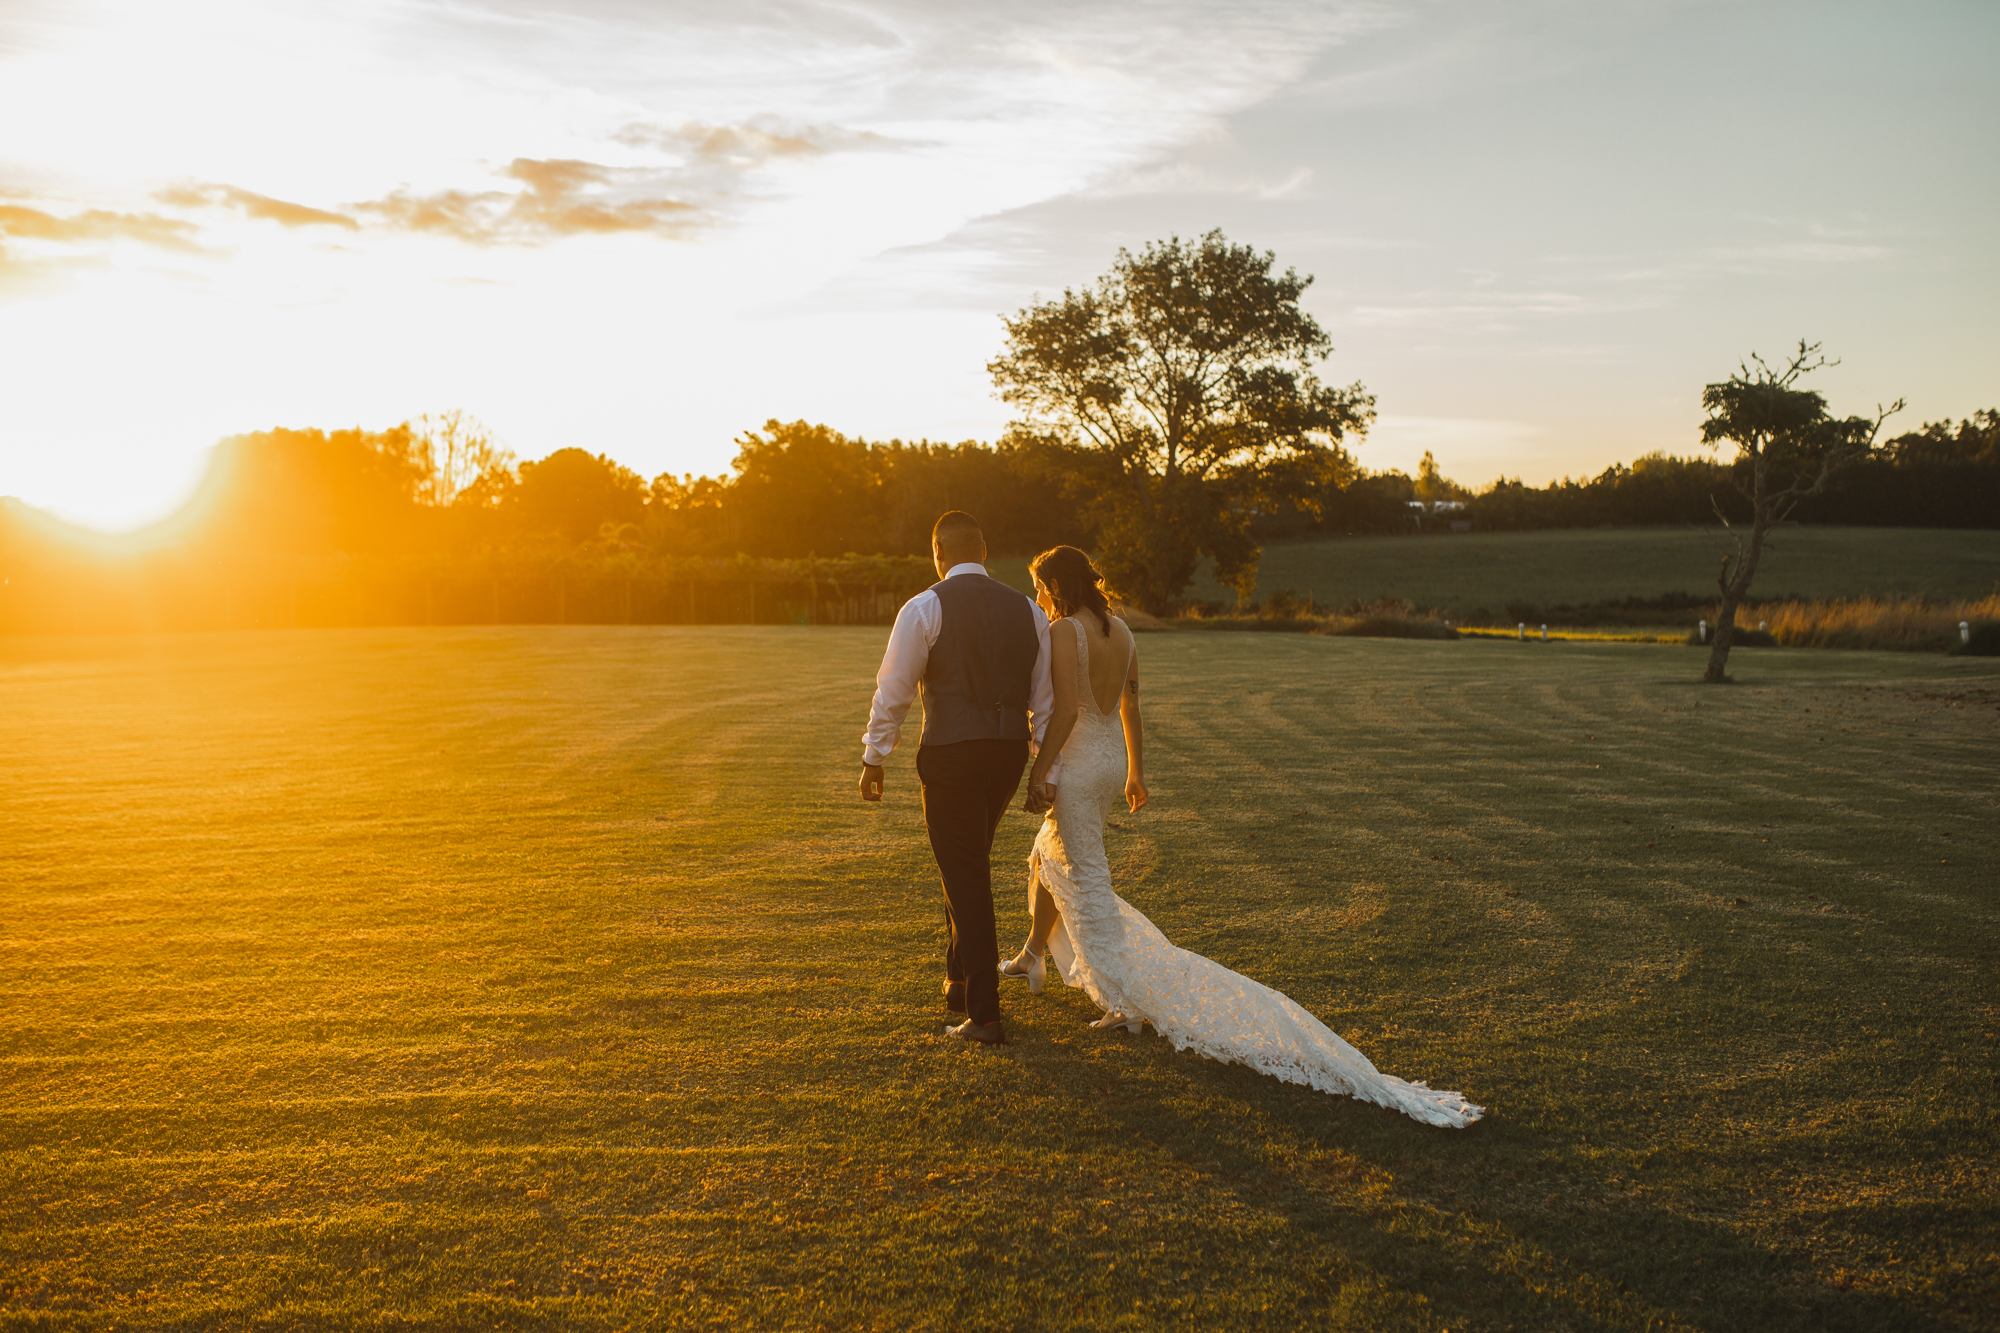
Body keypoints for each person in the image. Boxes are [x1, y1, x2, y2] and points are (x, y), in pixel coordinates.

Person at [999, 545, 1484, 1128]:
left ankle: (1125, 999)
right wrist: (1136, 771)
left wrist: (1039, 771)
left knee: (1088, 878)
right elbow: (1130, 703)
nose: (1041, 599)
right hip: (1107, 763)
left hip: (1077, 764)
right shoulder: (1123, 631)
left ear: (1056, 584)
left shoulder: (1062, 633)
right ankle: (1032, 956)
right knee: (1048, 856)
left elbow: (1069, 710)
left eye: (1041, 588)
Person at [858, 511, 1058, 1045]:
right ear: (985, 549)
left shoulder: (923, 607)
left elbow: (894, 688)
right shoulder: (1028, 610)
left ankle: (984, 1014)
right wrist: (1043, 767)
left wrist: (874, 756)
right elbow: (1045, 701)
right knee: (966, 861)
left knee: (966, 874)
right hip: (1008, 756)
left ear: (937, 552)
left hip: (951, 753)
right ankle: (959, 978)